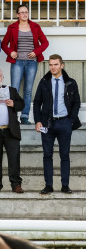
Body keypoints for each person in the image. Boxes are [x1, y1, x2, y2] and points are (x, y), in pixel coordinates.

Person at [33, 54, 82, 194]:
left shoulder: (70, 82)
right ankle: (49, 185)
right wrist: (38, 121)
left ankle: (65, 185)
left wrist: (71, 119)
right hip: (47, 124)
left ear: (62, 65)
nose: (53, 67)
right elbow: (37, 102)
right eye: (50, 65)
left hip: (64, 123)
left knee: (65, 155)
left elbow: (76, 102)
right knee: (47, 155)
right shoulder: (44, 82)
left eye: (55, 64)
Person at [1, 4, 49, 125]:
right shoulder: (12, 28)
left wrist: (35, 52)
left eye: (26, 12)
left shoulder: (35, 26)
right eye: (21, 12)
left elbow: (45, 43)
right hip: (17, 62)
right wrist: (10, 52)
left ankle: (25, 116)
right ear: (17, 15)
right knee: (15, 89)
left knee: (28, 90)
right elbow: (3, 44)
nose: (24, 14)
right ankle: (13, 116)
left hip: (31, 63)